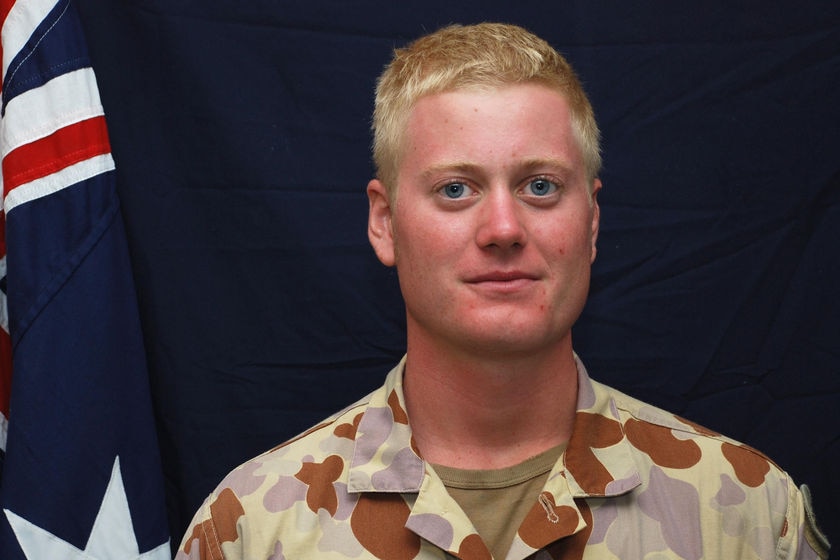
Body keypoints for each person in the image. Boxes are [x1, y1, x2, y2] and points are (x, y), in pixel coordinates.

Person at [176, 22, 829, 560]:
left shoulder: (747, 515)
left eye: (540, 185)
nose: (504, 228)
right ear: (385, 223)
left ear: (592, 222)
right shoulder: (251, 531)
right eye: (454, 189)